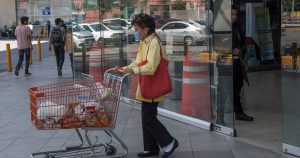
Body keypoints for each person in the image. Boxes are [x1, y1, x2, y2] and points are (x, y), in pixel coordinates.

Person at [114, 13, 178, 158]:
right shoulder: (144, 42)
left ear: (146, 28)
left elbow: (151, 67)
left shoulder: (154, 42)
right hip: (146, 85)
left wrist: (133, 71)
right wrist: (126, 68)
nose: (135, 31)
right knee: (146, 117)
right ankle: (151, 148)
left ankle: (170, 142)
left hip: (153, 85)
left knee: (149, 117)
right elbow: (138, 60)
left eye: (136, 28)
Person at [216, 5, 253, 125]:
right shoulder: (220, 29)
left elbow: (240, 48)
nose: (233, 17)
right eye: (231, 14)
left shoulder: (235, 28)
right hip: (225, 65)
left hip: (237, 64)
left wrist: (243, 62)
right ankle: (219, 118)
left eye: (235, 14)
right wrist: (231, 51)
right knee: (223, 93)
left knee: (236, 90)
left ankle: (239, 112)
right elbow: (217, 49)